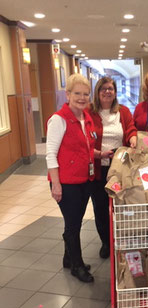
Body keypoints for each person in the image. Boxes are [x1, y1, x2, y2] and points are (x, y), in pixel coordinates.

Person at [46, 74, 95, 282]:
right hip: (66, 183)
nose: (82, 98)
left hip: (84, 180)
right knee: (73, 225)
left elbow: (85, 147)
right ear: (67, 95)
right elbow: (50, 154)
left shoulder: (86, 117)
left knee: (73, 222)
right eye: (77, 93)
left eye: (85, 94)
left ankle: (68, 258)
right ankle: (77, 266)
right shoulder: (58, 119)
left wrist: (100, 154)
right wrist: (56, 185)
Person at [88, 77, 137, 259]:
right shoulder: (89, 112)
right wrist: (99, 153)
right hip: (99, 169)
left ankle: (123, 239)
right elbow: (84, 138)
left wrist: (132, 138)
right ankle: (106, 242)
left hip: (120, 169)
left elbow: (131, 128)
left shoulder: (122, 111)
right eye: (104, 89)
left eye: (111, 88)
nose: (107, 92)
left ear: (115, 92)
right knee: (100, 208)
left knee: (121, 205)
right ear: (98, 92)